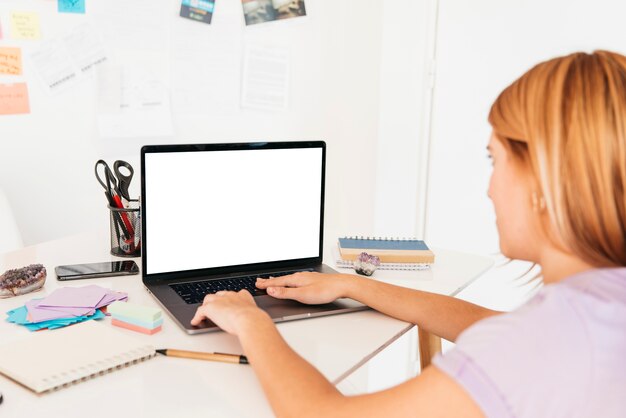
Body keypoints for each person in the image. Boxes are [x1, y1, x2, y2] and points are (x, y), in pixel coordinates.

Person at [191, 51, 626, 417]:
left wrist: (251, 321)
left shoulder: (543, 341)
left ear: (545, 181)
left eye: (494, 160)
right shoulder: (596, 310)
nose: (489, 188)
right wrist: (350, 284)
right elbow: (490, 325)